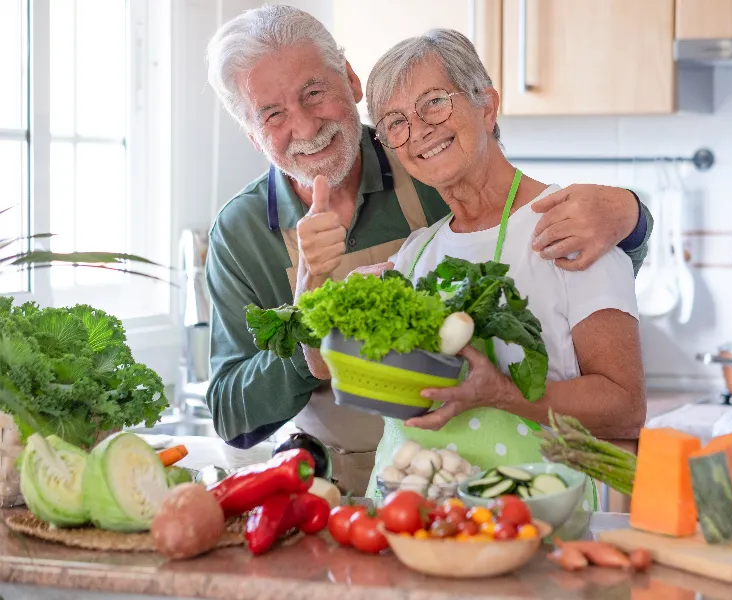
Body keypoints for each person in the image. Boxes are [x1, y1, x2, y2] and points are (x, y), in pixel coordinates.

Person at [203, 5, 653, 496]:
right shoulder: (242, 232)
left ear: (350, 81)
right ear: (253, 136)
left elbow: (566, 273)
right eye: (273, 114)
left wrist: (630, 217)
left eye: (315, 93)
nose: (307, 128)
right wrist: (312, 300)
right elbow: (235, 414)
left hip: (504, 488)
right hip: (343, 485)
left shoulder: (434, 168)